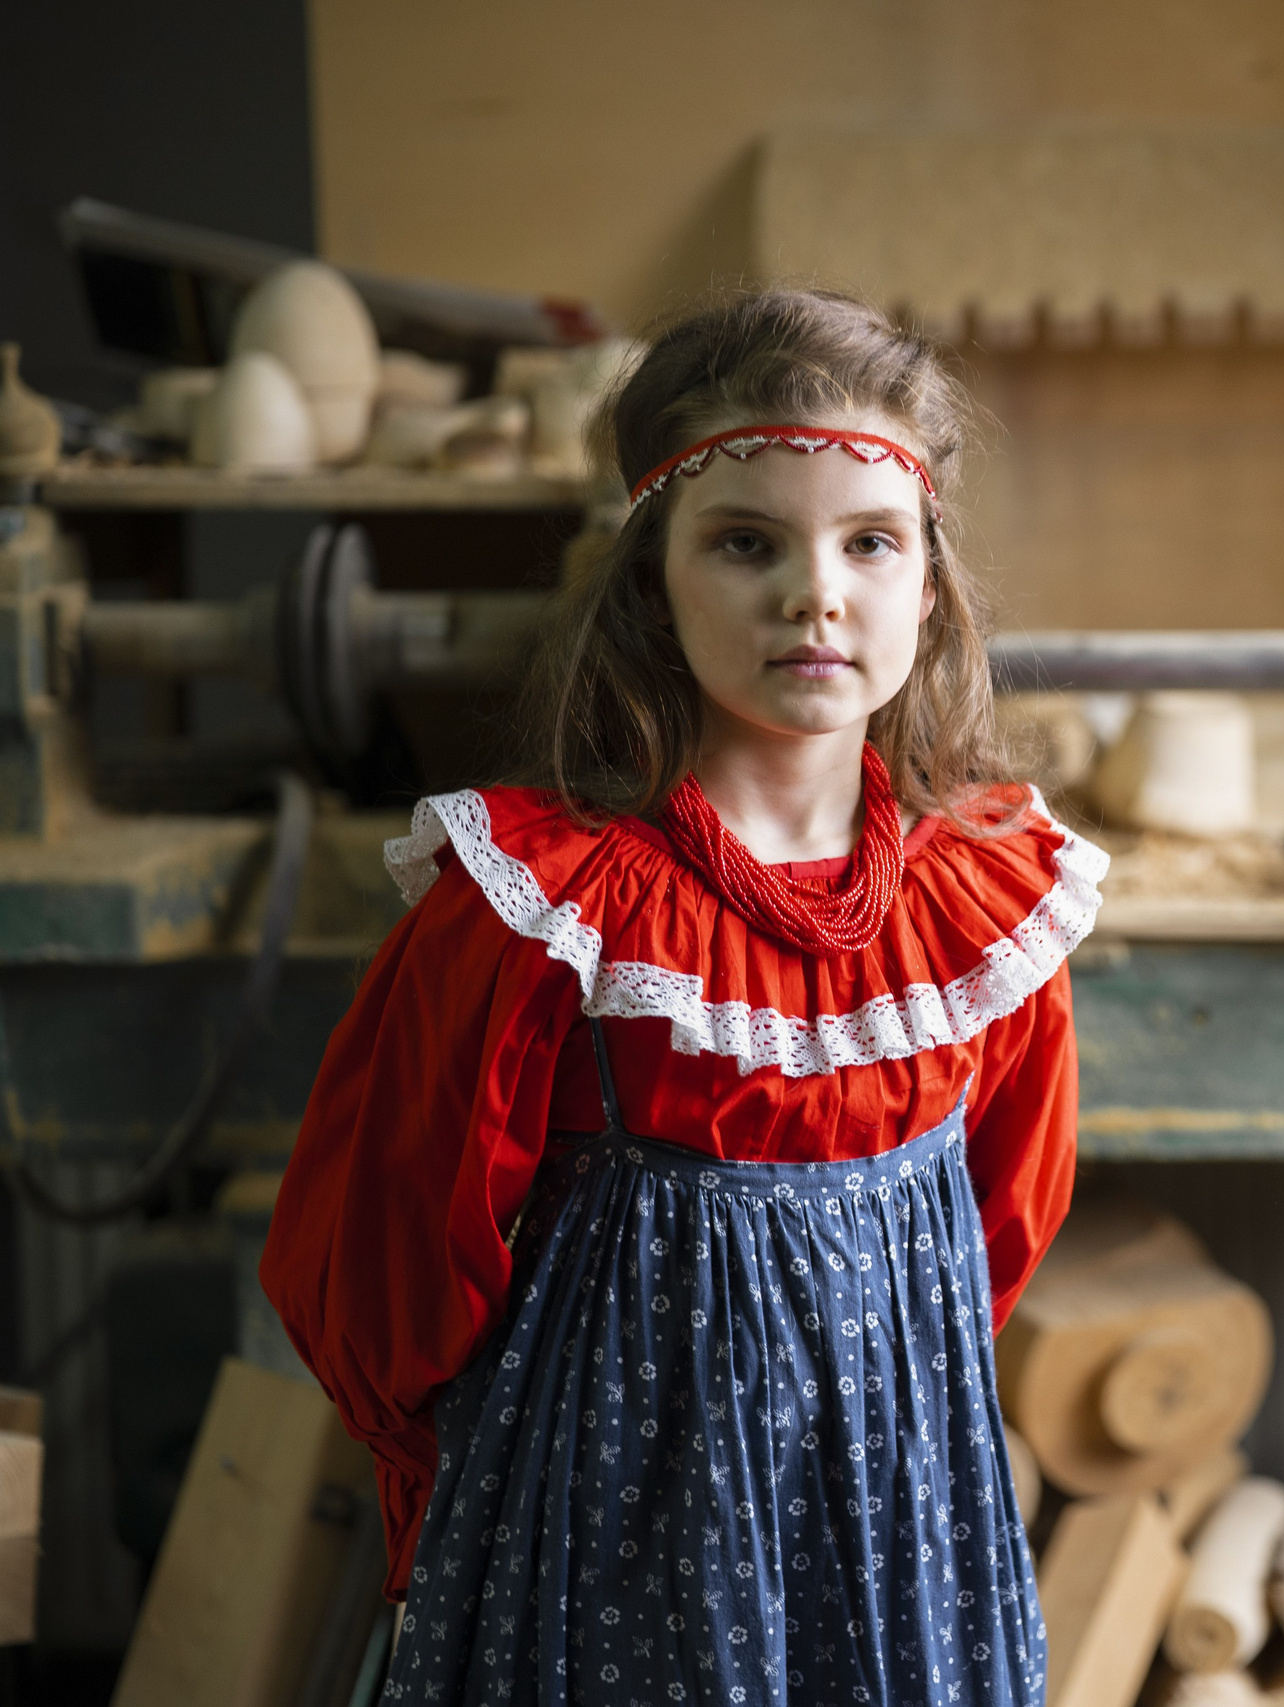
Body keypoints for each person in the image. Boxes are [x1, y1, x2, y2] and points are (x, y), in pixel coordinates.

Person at [262, 289, 1104, 1706]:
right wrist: (471, 1483)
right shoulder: (542, 906)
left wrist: (896, 1398)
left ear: (928, 584)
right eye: (747, 542)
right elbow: (388, 1235)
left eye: (869, 542)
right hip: (614, 1506)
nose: (815, 592)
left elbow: (1005, 1216)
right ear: (654, 579)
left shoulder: (987, 907)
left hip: (899, 1502)